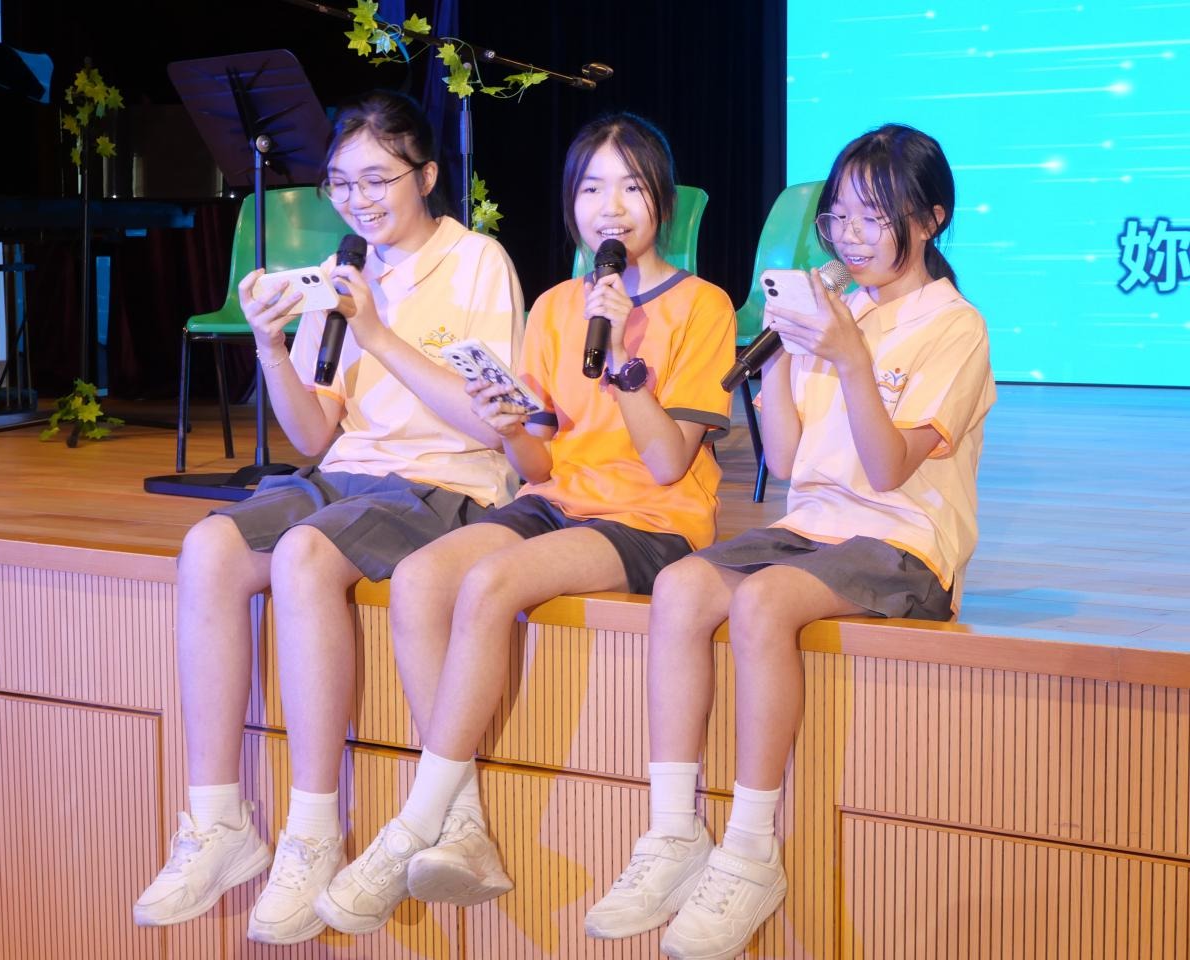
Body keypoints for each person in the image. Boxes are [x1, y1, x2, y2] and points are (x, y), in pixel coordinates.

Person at [308, 112, 738, 934]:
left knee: (492, 580)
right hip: (557, 501)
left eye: (631, 187)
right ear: (571, 204)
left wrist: (623, 365)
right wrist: (508, 425)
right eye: (591, 189)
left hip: (653, 519)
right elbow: (539, 467)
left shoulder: (703, 305)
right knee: (423, 574)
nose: (611, 208)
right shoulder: (554, 306)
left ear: (663, 199)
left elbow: (665, 464)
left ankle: (413, 825)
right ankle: (458, 821)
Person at [586, 123, 996, 959]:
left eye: (876, 217)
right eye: (839, 216)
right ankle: (673, 833)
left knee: (764, 601)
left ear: (932, 221)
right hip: (809, 527)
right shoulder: (833, 314)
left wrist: (849, 359)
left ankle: (750, 850)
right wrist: (776, 362)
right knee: (682, 586)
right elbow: (783, 460)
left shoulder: (955, 327)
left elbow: (886, 470)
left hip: (903, 542)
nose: (851, 236)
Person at [132, 90, 524, 945]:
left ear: (427, 176)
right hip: (347, 476)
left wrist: (376, 331)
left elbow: (490, 423)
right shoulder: (340, 273)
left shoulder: (476, 261)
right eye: (341, 182)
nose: (357, 199)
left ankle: (312, 834)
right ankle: (217, 820)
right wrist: (271, 344)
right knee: (209, 545)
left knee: (304, 554)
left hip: (444, 482)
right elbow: (313, 436)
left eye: (378, 179)